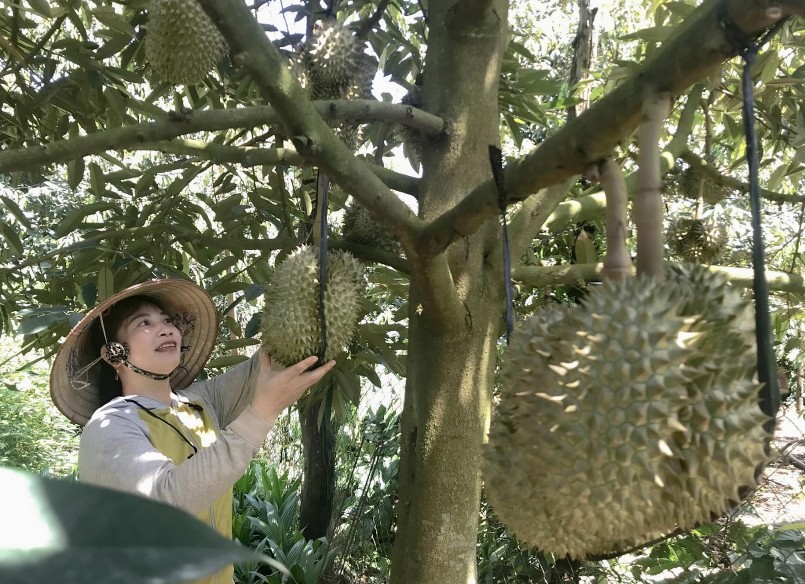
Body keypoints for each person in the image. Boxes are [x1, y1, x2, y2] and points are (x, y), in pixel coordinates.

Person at [49, 278, 335, 584]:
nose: (166, 328)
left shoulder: (200, 402)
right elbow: (165, 500)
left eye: (168, 321)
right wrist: (259, 416)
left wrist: (311, 287)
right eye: (144, 323)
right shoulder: (110, 426)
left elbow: (269, 364)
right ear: (113, 353)